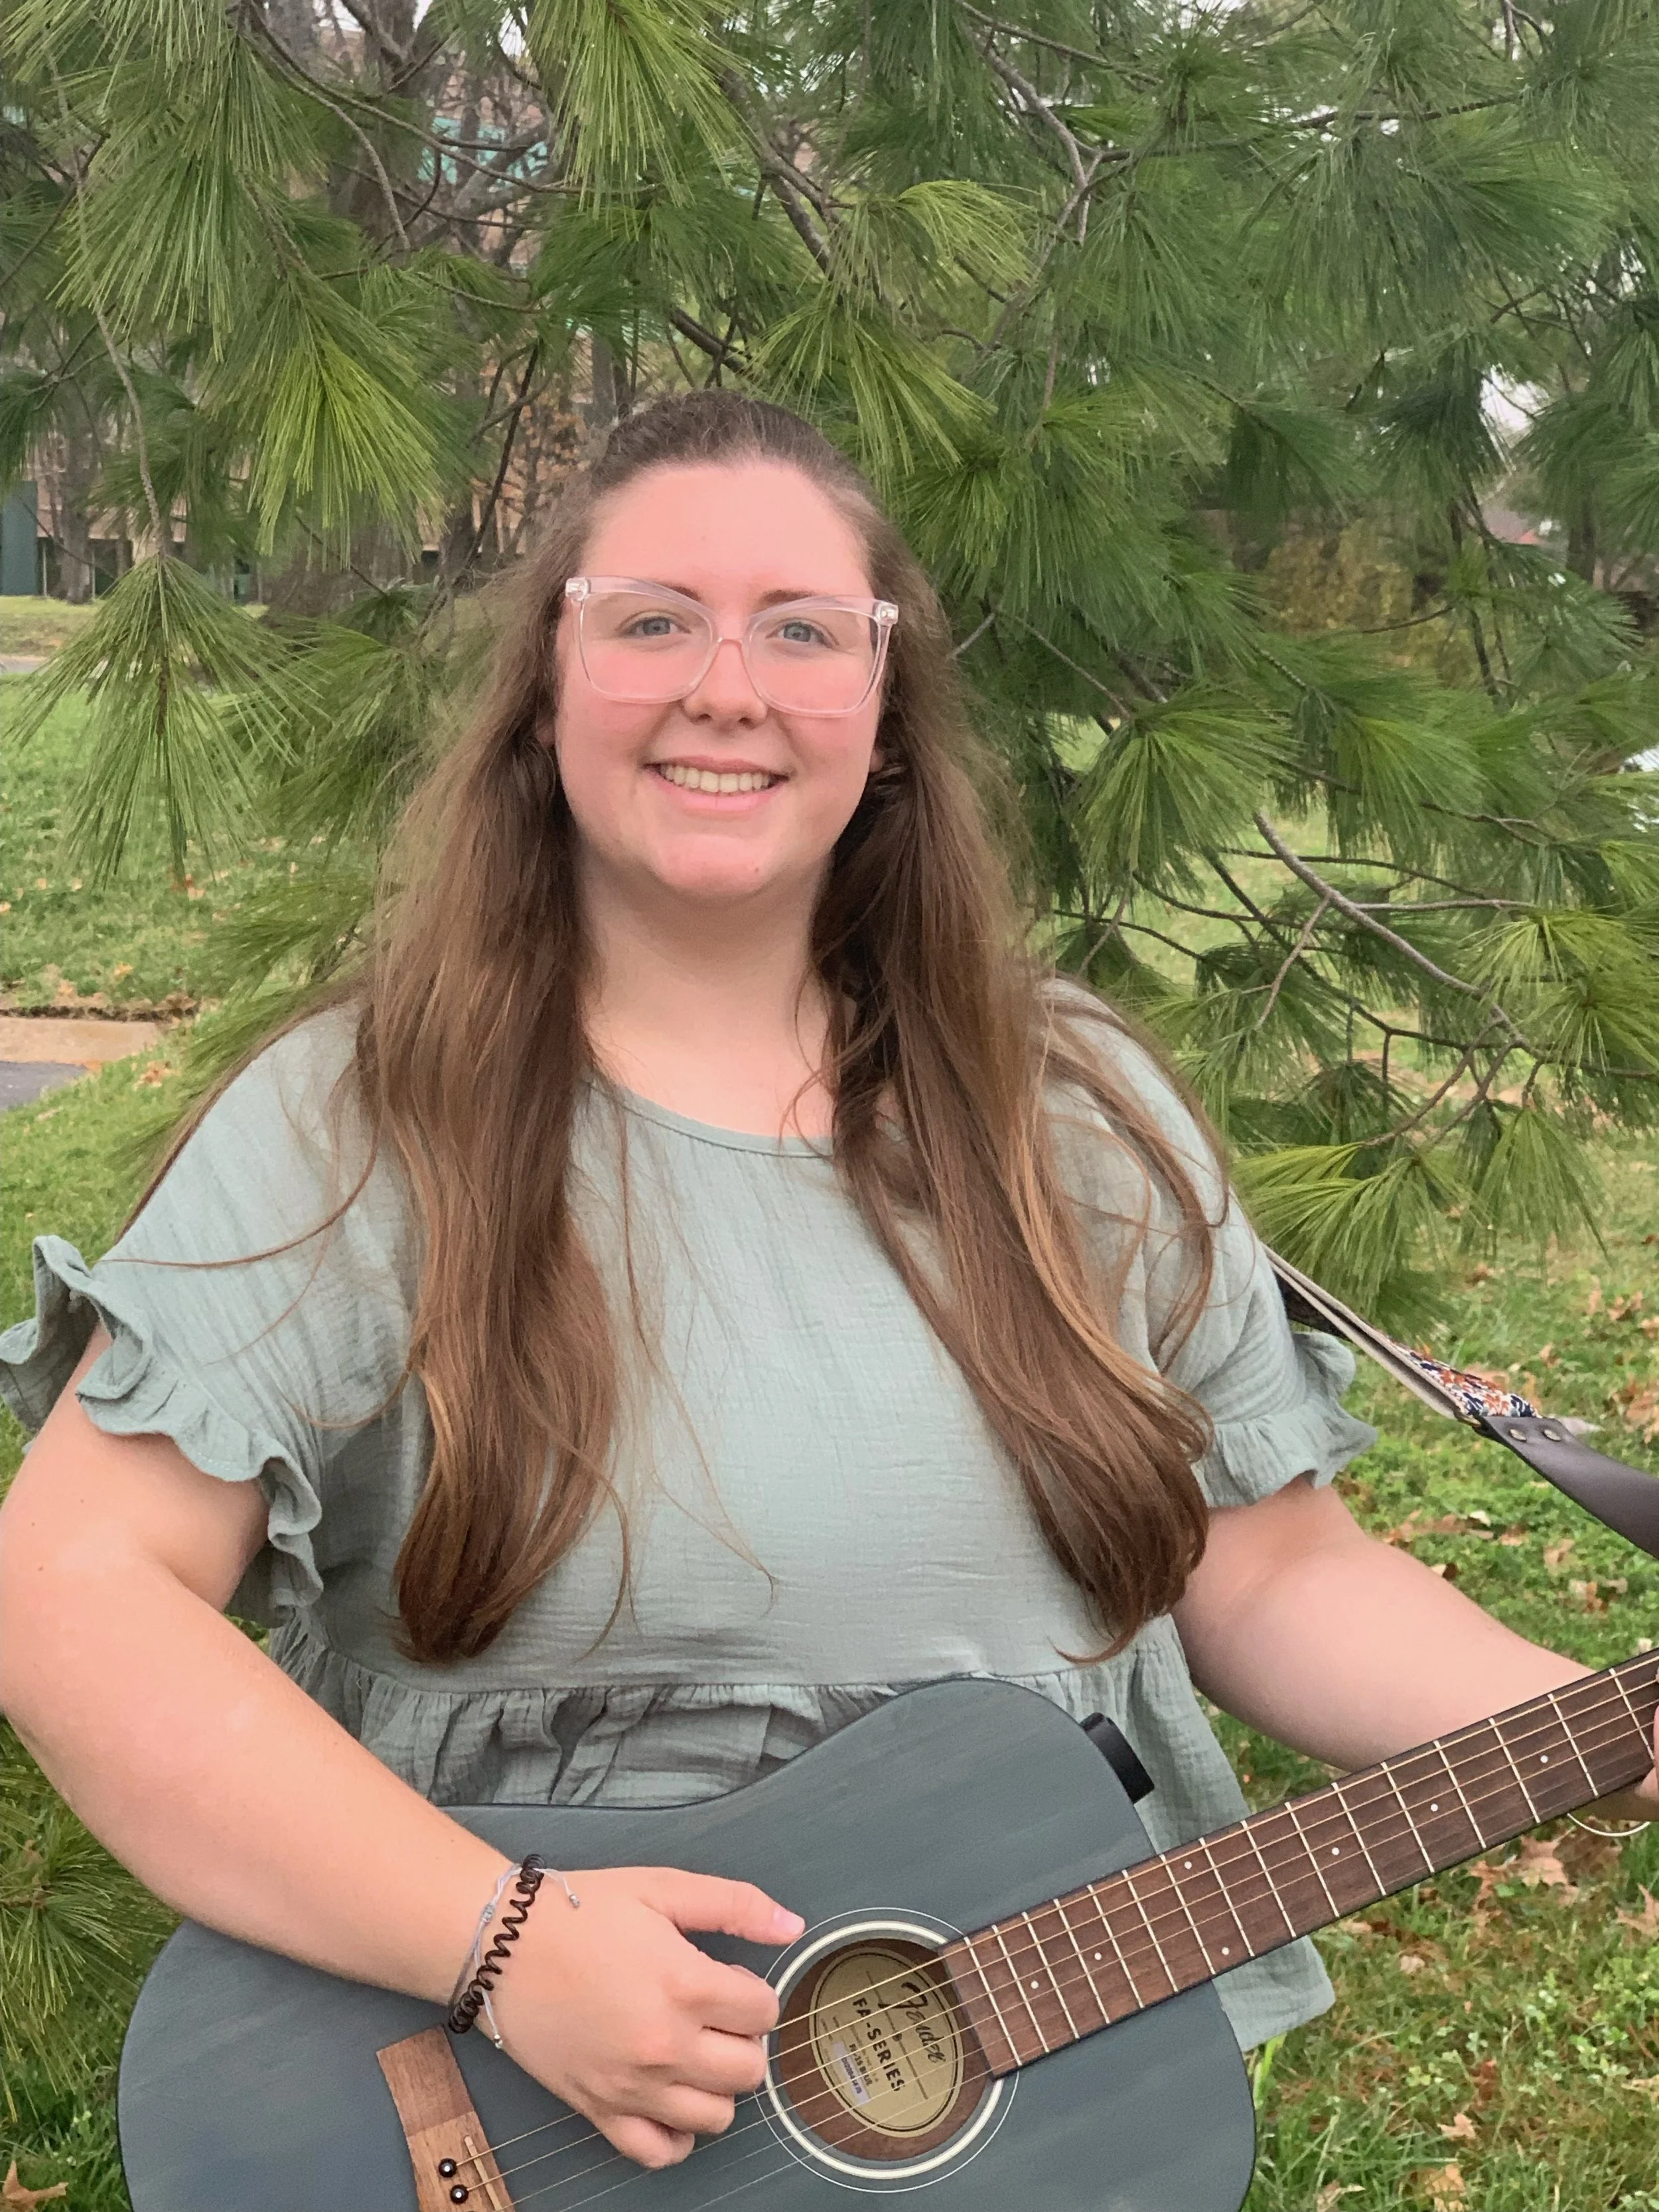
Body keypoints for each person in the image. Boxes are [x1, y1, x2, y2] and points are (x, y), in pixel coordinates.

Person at [0, 393, 1652, 2175]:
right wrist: (501, 1941)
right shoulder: (359, 1121)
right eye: (652, 619)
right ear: (548, 689)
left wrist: (1613, 1732)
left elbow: (1265, 1569)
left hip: (1020, 2123)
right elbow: (72, 1594)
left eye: (803, 628)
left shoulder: (1073, 1113)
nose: (731, 683)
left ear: (880, 717)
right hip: (483, 2101)